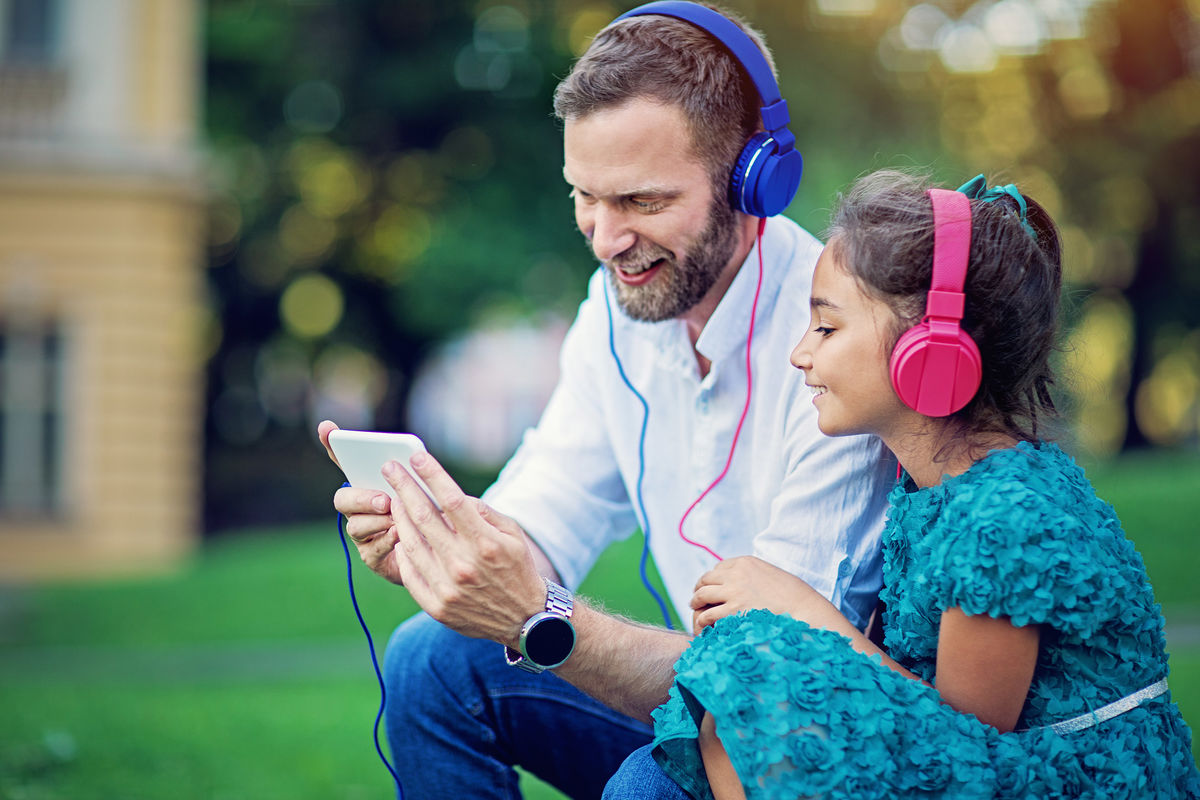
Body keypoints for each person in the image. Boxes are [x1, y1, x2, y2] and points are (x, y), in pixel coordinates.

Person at [317, 3, 894, 798]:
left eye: (641, 202)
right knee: (429, 659)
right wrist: (448, 547)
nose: (603, 237)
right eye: (584, 196)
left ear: (754, 177)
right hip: (717, 699)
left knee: (643, 786)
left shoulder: (840, 342)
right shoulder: (616, 313)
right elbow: (546, 514)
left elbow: (780, 679)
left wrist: (540, 618)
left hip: (812, 736)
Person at [629, 169, 1200, 799]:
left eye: (826, 327)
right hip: (989, 759)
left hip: (1063, 781)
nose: (800, 353)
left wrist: (797, 605)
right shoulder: (932, 489)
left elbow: (965, 749)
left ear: (928, 350)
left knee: (751, 687)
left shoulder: (1002, 521)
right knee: (742, 683)